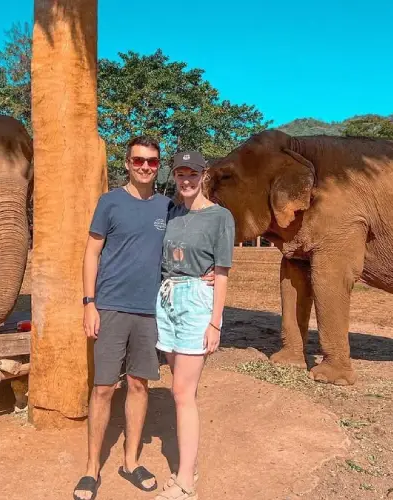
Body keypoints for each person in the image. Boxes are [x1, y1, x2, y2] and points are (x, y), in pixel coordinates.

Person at [72, 135, 169, 500]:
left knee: (140, 385)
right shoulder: (110, 202)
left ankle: (130, 462)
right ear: (127, 163)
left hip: (149, 311)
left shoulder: (167, 207)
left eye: (152, 161)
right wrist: (89, 303)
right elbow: (91, 254)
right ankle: (91, 468)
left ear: (158, 166)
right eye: (139, 160)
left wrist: (207, 272)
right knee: (102, 388)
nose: (145, 166)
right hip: (110, 307)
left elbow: (182, 250)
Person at [154, 151, 235, 500]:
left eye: (193, 174)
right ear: (175, 176)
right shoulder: (171, 214)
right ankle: (189, 466)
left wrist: (215, 322)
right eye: (180, 174)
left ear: (204, 175)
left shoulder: (220, 217)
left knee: (182, 393)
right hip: (167, 298)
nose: (186, 180)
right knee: (181, 389)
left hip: (196, 301)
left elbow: (221, 272)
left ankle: (186, 481)